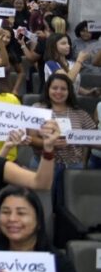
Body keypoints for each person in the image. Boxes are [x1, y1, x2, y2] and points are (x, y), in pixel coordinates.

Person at [30, 73, 96, 204]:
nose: (59, 92)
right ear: (48, 89)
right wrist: (48, 144)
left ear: (69, 91)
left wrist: (77, 138)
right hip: (43, 165)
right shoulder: (37, 109)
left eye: (63, 89)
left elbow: (95, 138)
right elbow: (31, 139)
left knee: (70, 208)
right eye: (54, 88)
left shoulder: (80, 113)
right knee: (42, 206)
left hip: (73, 167)